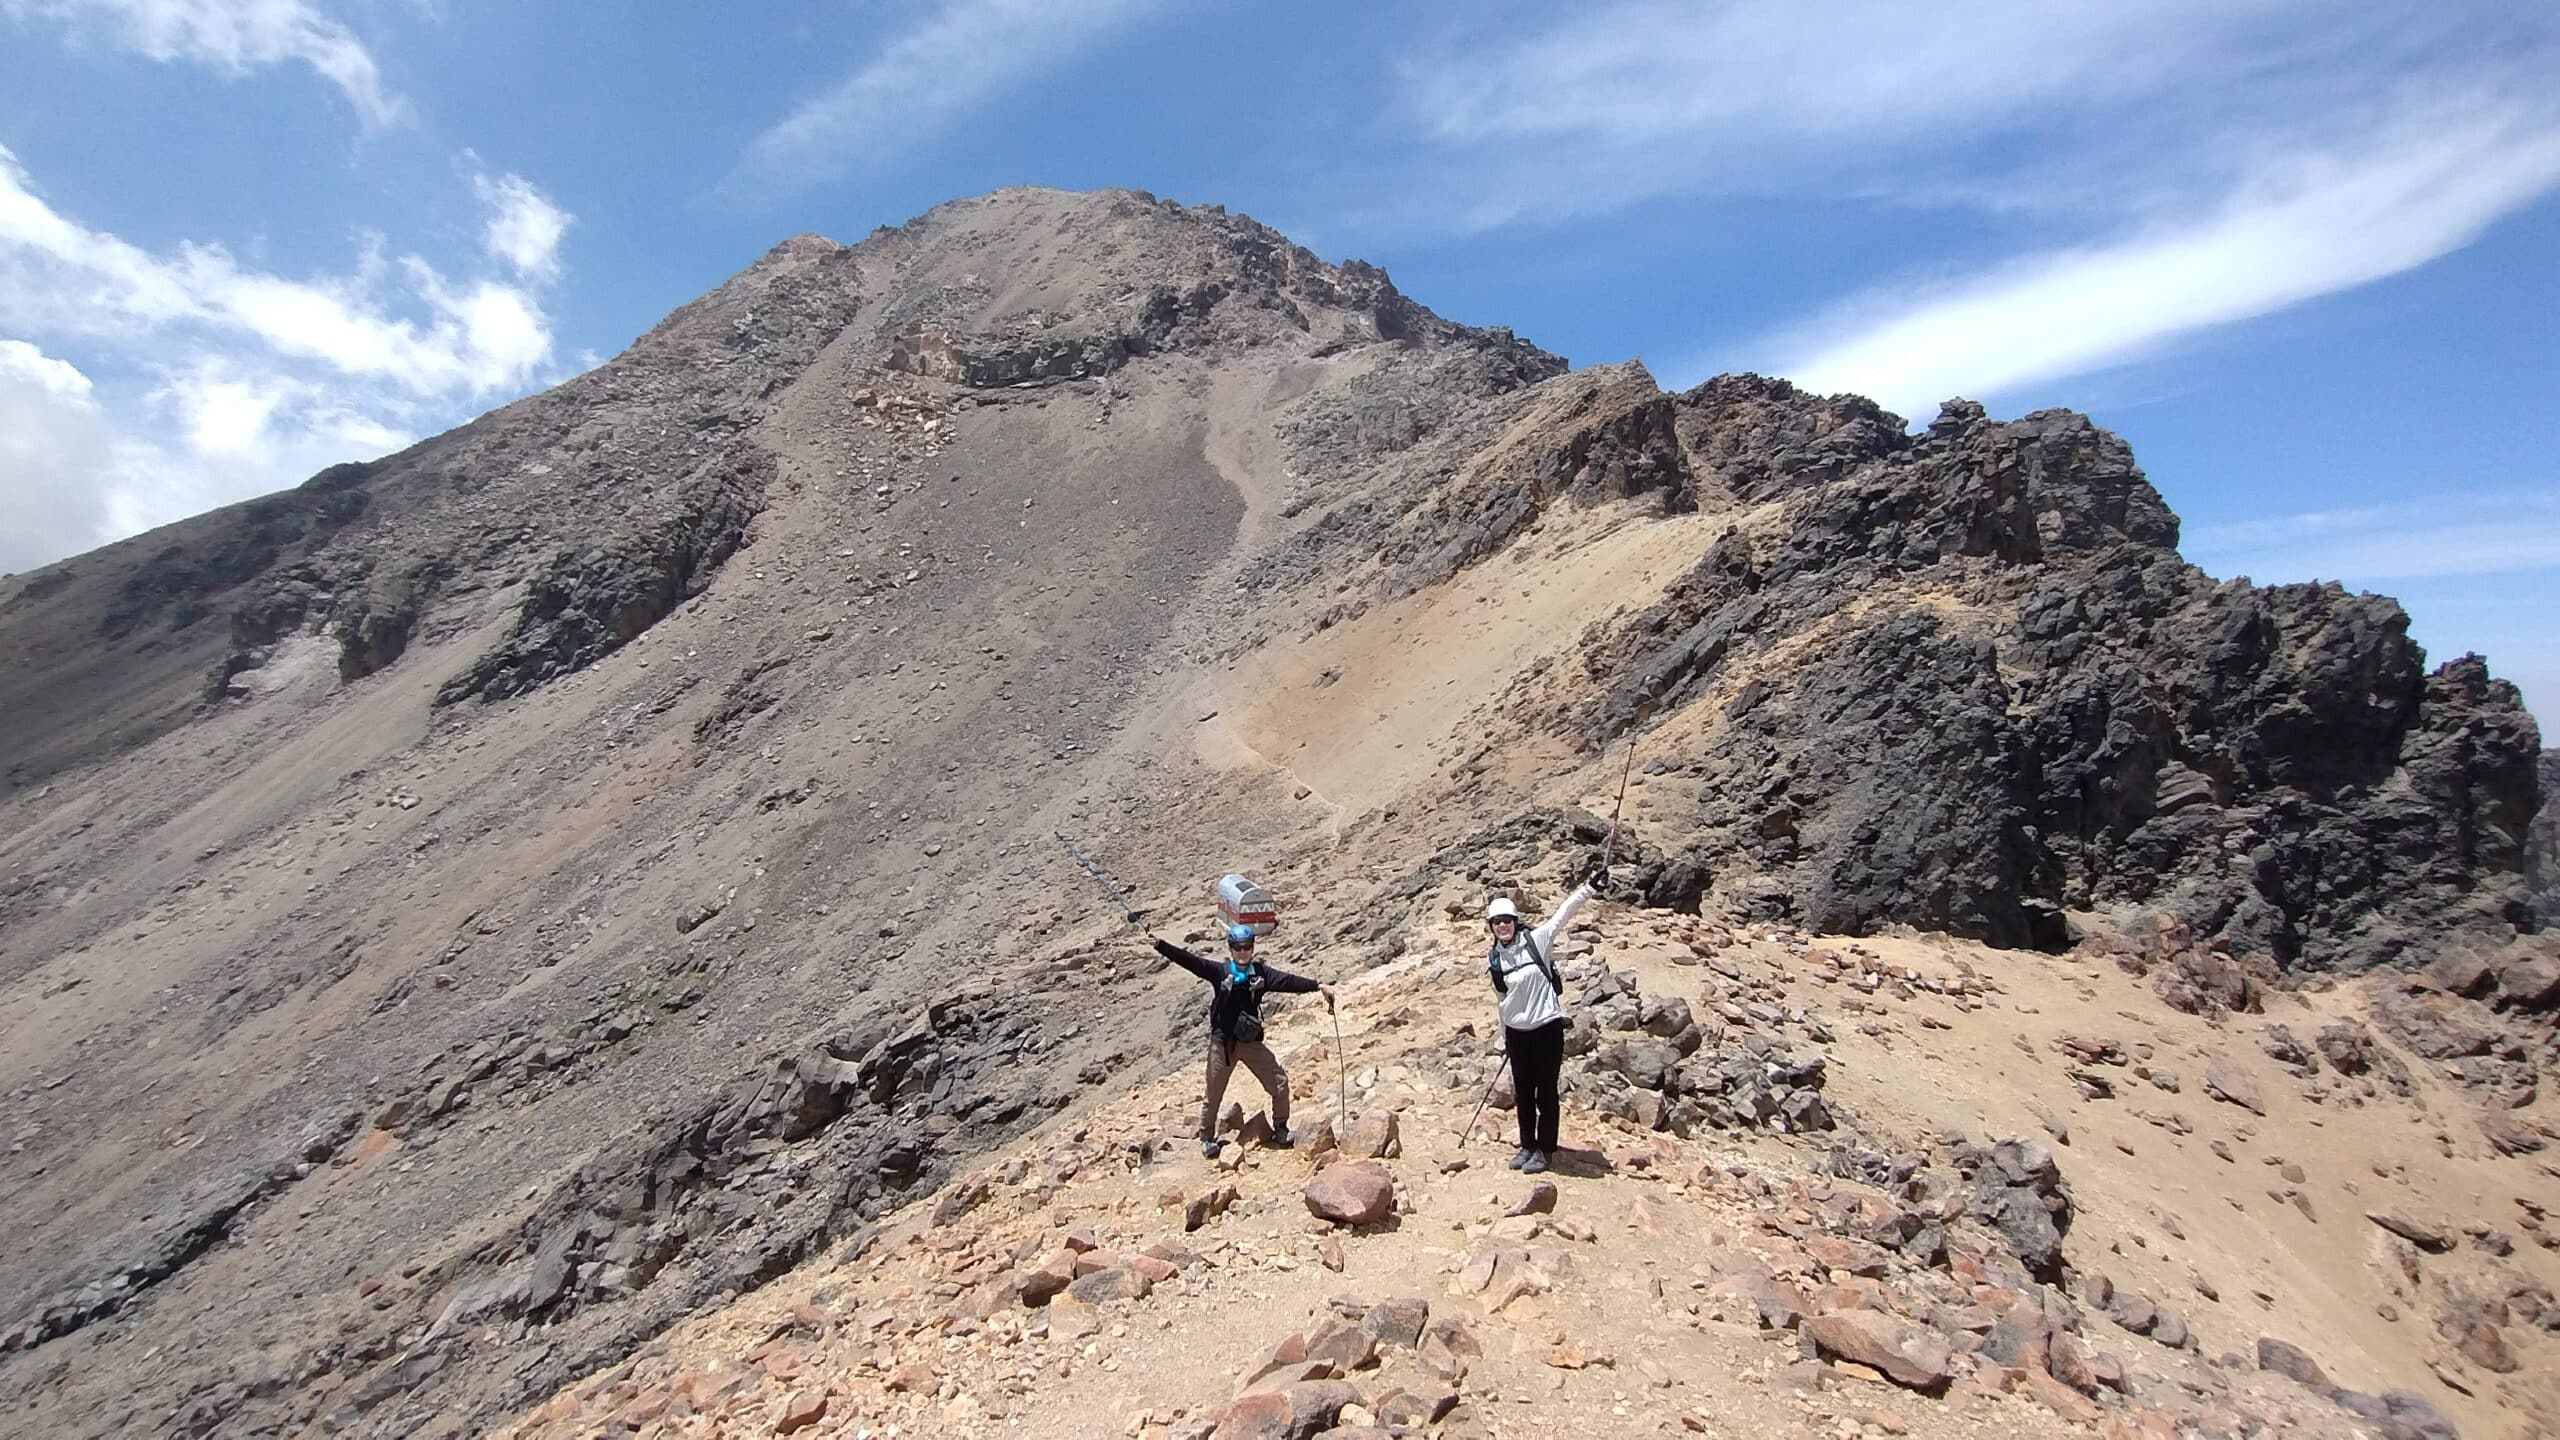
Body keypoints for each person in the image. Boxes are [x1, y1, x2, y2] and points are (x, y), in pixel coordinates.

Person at [1152, 922, 1336, 1157]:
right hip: (1223, 1044)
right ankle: (1207, 1138)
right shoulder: (1220, 972)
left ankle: (1281, 1129)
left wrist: (1317, 986)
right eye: (1237, 947)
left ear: (1252, 947)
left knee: (1279, 1082)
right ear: (1230, 949)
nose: (1242, 952)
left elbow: (1287, 981)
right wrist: (1161, 945)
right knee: (1214, 1092)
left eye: (1247, 947)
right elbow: (1191, 961)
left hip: (1250, 1042)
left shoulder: (1260, 973)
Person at [1486, 871, 1598, 1174]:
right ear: (1491, 927)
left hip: (1547, 1029)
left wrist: (1588, 887)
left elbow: (1563, 914)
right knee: (1523, 1093)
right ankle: (1527, 1145)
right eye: (1497, 923)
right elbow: (1502, 1000)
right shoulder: (1495, 959)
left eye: (1507, 920)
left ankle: (1545, 1150)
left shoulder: (1537, 940)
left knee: (1545, 1092)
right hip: (1517, 1035)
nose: (1503, 926)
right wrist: (1504, 1036)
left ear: (1516, 920)